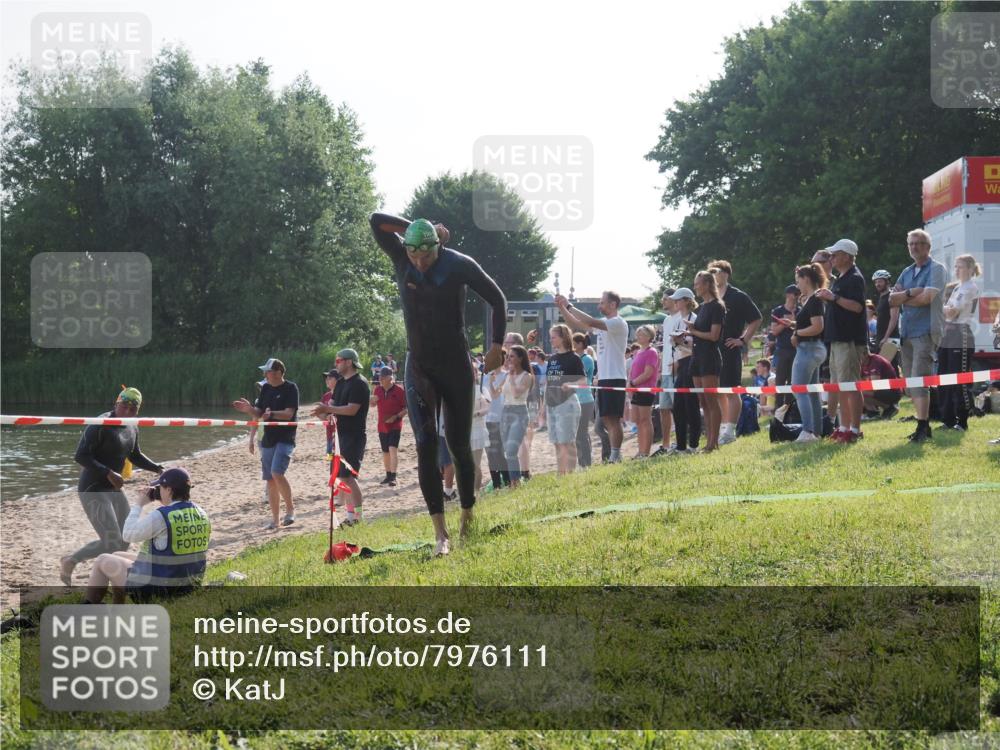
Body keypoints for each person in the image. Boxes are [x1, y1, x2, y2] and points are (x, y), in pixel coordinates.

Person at [370, 213, 506, 556]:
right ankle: (440, 533)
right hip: (419, 366)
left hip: (455, 364)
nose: (419, 261)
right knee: (425, 442)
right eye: (414, 254)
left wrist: (496, 346)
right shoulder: (401, 257)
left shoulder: (458, 264)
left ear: (437, 246)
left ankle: (466, 517)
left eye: (426, 255)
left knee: (459, 447)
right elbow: (375, 220)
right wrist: (416, 228)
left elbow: (497, 299)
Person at [59, 386, 165, 586]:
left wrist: (158, 469)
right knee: (110, 540)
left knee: (126, 536)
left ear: (137, 411)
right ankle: (71, 561)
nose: (127, 412)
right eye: (124, 406)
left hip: (114, 488)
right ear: (116, 403)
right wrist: (108, 472)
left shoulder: (132, 425)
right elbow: (80, 455)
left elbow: (134, 454)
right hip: (92, 488)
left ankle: (113, 573)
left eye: (132, 409)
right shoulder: (100, 424)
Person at [83, 468, 210, 604]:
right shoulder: (201, 513)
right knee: (117, 554)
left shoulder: (162, 515)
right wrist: (166, 502)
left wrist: (139, 505)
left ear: (169, 490)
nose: (158, 491)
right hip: (189, 583)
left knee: (103, 559)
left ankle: (89, 607)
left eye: (160, 487)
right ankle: (118, 607)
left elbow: (127, 535)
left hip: (161, 588)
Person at [555, 291, 629, 463]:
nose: (599, 306)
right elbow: (577, 325)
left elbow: (588, 321)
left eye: (602, 303)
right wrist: (562, 309)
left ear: (613, 304)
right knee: (606, 419)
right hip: (604, 378)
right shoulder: (604, 324)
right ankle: (614, 455)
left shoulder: (617, 322)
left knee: (613, 419)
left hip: (615, 376)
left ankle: (616, 454)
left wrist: (569, 305)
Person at [889, 229, 948, 444]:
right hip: (907, 333)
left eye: (919, 243)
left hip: (927, 331)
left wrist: (904, 296)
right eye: (911, 243)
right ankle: (922, 424)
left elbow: (927, 299)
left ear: (928, 247)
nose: (914, 246)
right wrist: (911, 293)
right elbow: (890, 300)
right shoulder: (907, 271)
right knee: (912, 381)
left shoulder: (937, 269)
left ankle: (923, 426)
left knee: (919, 379)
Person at [233, 358, 299, 529]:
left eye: (268, 371)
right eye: (265, 371)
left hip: (285, 437)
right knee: (270, 479)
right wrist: (249, 410)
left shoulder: (291, 388)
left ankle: (290, 511)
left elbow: (288, 414)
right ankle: (275, 520)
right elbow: (259, 412)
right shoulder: (266, 388)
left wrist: (272, 414)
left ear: (278, 372)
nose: (265, 374)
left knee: (277, 472)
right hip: (268, 439)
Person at [311, 349, 370, 526]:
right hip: (339, 436)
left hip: (354, 436)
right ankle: (351, 517)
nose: (336, 363)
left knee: (348, 477)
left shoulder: (360, 383)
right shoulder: (341, 383)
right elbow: (333, 408)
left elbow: (352, 409)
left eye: (339, 360)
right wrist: (322, 413)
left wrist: (328, 409)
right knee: (340, 477)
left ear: (349, 362)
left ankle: (358, 517)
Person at [817, 239, 867, 444]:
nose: (832, 258)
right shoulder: (841, 278)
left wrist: (834, 298)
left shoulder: (854, 278)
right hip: (837, 339)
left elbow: (857, 307)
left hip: (849, 340)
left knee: (850, 386)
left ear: (847, 256)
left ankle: (854, 429)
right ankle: (843, 426)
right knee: (839, 386)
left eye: (835, 254)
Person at [707, 260, 762, 445]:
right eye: (711, 272)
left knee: (732, 390)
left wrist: (743, 340)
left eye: (717, 272)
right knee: (719, 391)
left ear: (726, 274)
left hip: (730, 349)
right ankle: (723, 428)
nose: (714, 275)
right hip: (713, 351)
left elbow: (756, 319)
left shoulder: (738, 296)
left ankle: (731, 431)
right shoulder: (711, 297)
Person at [938, 254, 982, 431]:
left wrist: (936, 307)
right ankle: (947, 419)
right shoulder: (957, 288)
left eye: (961, 266)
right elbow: (947, 312)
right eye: (955, 266)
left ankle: (962, 420)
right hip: (948, 333)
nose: (957, 270)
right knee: (943, 377)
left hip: (960, 333)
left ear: (971, 269)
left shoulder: (970, 287)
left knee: (960, 379)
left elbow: (951, 313)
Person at [685, 271, 726, 451]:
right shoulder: (701, 307)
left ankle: (713, 442)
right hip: (696, 357)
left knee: (711, 400)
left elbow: (714, 335)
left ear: (708, 284)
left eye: (698, 284)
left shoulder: (717, 306)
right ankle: (709, 441)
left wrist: (694, 332)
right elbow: (701, 334)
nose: (695, 287)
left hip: (709, 358)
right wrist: (687, 334)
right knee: (703, 401)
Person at [788, 264, 828, 442]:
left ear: (806, 278)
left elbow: (818, 327)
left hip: (809, 349)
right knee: (811, 391)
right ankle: (815, 432)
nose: (797, 286)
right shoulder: (813, 299)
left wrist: (797, 333)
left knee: (799, 389)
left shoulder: (815, 300)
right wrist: (796, 327)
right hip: (814, 349)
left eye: (798, 281)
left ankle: (807, 430)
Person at [545, 324, 585, 474]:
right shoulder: (552, 359)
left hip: (567, 403)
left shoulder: (574, 358)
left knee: (567, 441)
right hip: (551, 403)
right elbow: (549, 383)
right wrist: (543, 407)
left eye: (553, 337)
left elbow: (583, 381)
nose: (551, 340)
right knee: (556, 442)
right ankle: (561, 474)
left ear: (563, 338)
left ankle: (570, 474)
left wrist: (571, 383)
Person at [667, 288, 701, 453]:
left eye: (678, 299)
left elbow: (696, 346)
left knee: (691, 405)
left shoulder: (695, 319)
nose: (675, 302)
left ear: (687, 300)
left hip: (692, 363)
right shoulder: (678, 320)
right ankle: (681, 446)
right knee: (678, 406)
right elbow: (674, 343)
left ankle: (693, 445)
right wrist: (677, 341)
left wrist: (679, 341)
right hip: (681, 363)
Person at [497, 345, 534, 487]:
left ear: (520, 358)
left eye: (512, 356)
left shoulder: (527, 376)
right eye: (508, 356)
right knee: (508, 450)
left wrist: (511, 377)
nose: (508, 359)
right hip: (506, 412)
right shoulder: (507, 375)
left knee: (512, 449)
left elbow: (517, 393)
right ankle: (514, 481)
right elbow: (497, 393)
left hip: (519, 413)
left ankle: (516, 481)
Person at [653, 289, 681, 457]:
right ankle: (665, 444)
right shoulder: (666, 321)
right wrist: (660, 368)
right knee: (664, 408)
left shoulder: (682, 318)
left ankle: (679, 442)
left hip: (677, 369)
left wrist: (677, 363)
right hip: (665, 371)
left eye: (665, 299)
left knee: (677, 408)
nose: (663, 302)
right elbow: (666, 347)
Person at [370, 366, 407, 487]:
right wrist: (372, 401)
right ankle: (388, 475)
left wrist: (396, 417)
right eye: (380, 377)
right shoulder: (378, 390)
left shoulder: (399, 391)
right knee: (385, 452)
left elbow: (407, 408)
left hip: (395, 424)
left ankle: (393, 477)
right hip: (382, 425)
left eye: (382, 377)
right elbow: (372, 406)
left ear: (390, 378)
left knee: (392, 449)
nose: (380, 379)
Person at [628, 324, 660, 458]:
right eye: (638, 334)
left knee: (645, 420)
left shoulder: (652, 352)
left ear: (649, 337)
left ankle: (645, 451)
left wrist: (633, 383)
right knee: (637, 421)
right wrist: (630, 385)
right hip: (636, 389)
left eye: (641, 334)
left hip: (645, 389)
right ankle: (640, 451)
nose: (638, 336)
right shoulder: (639, 352)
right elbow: (632, 371)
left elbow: (648, 373)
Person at [769, 284, 800, 412]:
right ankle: (778, 409)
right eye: (795, 294)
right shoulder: (778, 311)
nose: (797, 296)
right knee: (780, 380)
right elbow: (774, 332)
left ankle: (789, 409)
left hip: (797, 350)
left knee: (793, 381)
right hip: (782, 350)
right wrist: (784, 323)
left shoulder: (800, 310)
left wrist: (794, 322)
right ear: (788, 295)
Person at [572, 332, 596, 467]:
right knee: (579, 433)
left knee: (581, 433)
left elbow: (578, 377)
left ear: (580, 344)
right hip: (577, 398)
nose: (573, 345)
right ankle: (583, 462)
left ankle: (586, 463)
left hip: (585, 399)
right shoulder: (577, 358)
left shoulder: (586, 359)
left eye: (574, 343)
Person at [859, 349, 901, 420]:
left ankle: (889, 408)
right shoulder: (862, 363)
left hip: (892, 391)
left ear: (865, 354)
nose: (857, 358)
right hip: (881, 389)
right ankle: (872, 413)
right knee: (858, 391)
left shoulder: (875, 361)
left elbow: (875, 384)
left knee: (859, 392)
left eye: (858, 355)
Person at [872, 269, 901, 365]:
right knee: (882, 369)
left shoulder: (892, 296)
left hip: (890, 338)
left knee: (889, 368)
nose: (877, 284)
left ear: (887, 281)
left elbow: (894, 318)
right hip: (881, 338)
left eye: (880, 281)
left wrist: (886, 337)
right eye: (876, 282)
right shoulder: (880, 298)